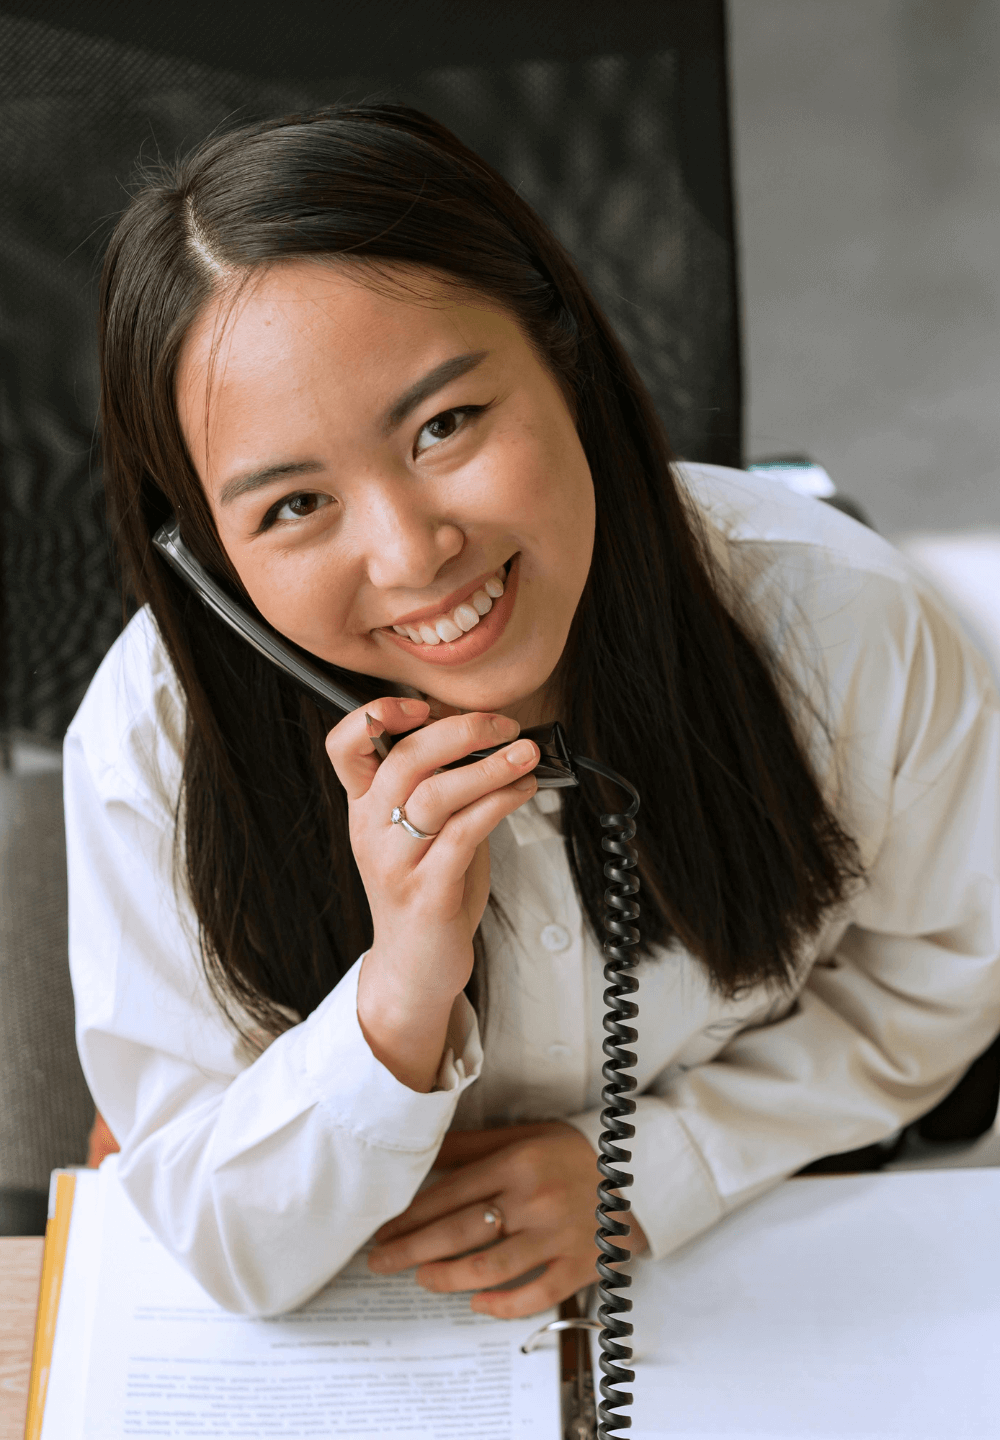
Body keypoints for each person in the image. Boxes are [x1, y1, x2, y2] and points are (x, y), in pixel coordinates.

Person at [66, 104, 1000, 1319]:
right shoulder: (151, 744)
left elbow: (941, 978)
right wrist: (400, 988)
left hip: (746, 1270)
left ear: (564, 360)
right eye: (293, 506)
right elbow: (218, 1237)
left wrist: (656, 1164)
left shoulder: (847, 627)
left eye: (445, 426)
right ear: (206, 558)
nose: (412, 555)